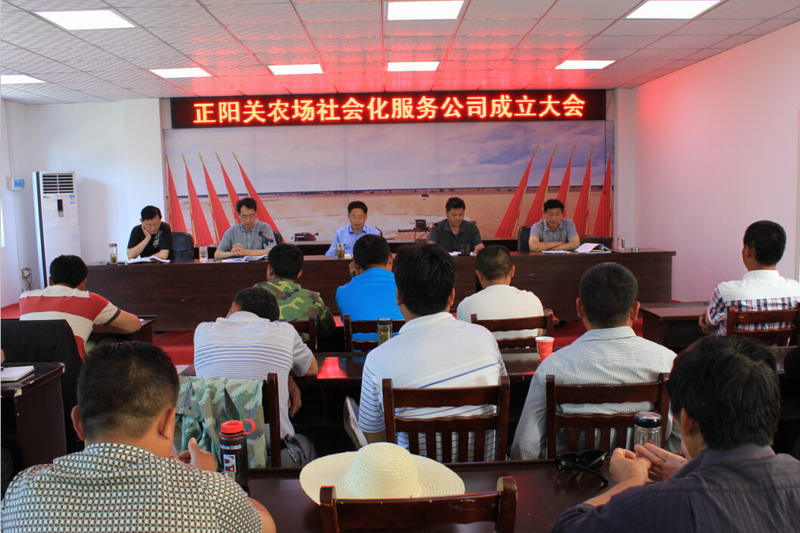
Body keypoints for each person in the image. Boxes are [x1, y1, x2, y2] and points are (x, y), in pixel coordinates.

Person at [1, 341, 275, 533]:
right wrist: (207, 477)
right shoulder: (211, 495)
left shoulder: (23, 490)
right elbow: (266, 526)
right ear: (168, 422)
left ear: (78, 423)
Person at [553, 335, 800, 533]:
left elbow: (567, 527)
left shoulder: (654, 505)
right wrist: (688, 472)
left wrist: (631, 482)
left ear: (688, 421)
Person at [511, 262, 677, 459]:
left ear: (580, 308)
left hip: (570, 475)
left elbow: (525, 448)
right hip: (644, 472)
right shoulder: (669, 362)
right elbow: (680, 438)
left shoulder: (553, 367)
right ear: (634, 310)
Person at [357, 244, 505, 459]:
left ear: (398, 296)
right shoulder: (485, 338)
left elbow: (375, 440)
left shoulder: (377, 359)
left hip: (414, 478)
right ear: (452, 296)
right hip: (484, 475)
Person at [194, 287, 319, 467]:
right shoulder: (283, 331)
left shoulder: (202, 331)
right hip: (272, 457)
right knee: (309, 444)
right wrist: (285, 375)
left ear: (235, 307)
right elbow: (311, 369)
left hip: (215, 458)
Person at [19, 255, 141, 358]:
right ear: (84, 282)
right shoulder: (90, 300)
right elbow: (134, 325)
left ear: (50, 281)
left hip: (31, 369)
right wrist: (92, 325)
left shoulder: (25, 297)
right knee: (112, 341)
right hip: (72, 369)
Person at [699, 220, 800, 335]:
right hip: (781, 348)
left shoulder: (725, 291)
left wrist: (705, 320)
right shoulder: (796, 291)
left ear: (748, 251)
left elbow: (708, 323)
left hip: (736, 347)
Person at [456, 244, 544, 340]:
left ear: (479, 275)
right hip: (528, 351)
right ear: (512, 271)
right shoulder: (532, 300)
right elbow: (541, 338)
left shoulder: (465, 306)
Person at [255, 243, 335, 339]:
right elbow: (328, 330)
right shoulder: (313, 298)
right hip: (301, 348)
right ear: (299, 273)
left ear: (270, 269)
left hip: (262, 348)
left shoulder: (252, 294)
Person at [336, 234, 403, 327]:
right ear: (390, 258)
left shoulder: (342, 291)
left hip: (356, 337)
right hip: (402, 337)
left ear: (355, 264)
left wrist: (355, 278)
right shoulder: (406, 286)